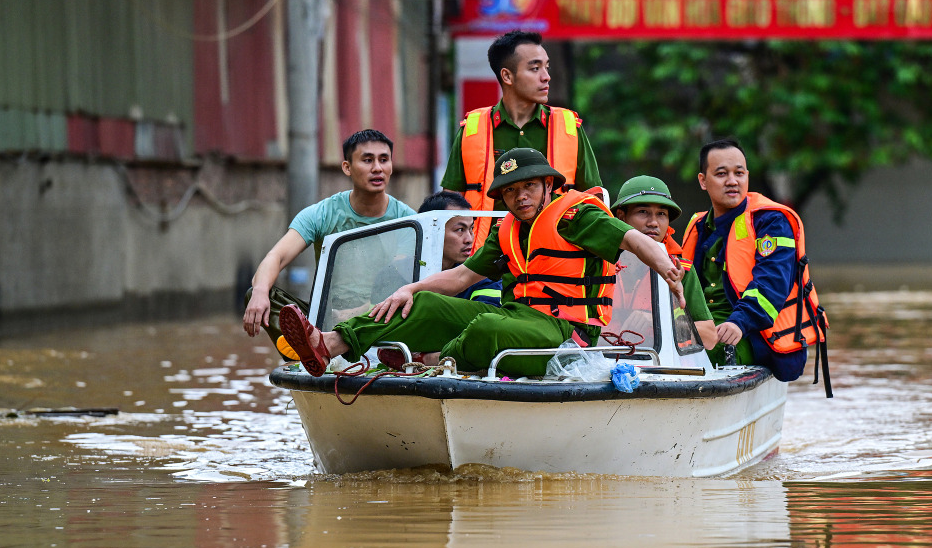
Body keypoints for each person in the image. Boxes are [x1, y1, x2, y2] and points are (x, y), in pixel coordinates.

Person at [279, 148, 684, 378]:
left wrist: (664, 264)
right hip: (517, 318)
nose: (520, 197)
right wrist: (411, 288)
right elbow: (460, 278)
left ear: (547, 185)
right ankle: (330, 343)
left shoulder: (577, 215)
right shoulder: (506, 230)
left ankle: (425, 365)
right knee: (418, 304)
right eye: (510, 192)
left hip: (565, 332)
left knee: (486, 323)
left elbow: (630, 237)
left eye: (528, 187)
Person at [242, 129, 415, 357]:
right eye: (367, 160)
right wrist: (260, 292)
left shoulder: (409, 220)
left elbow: (399, 281)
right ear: (347, 167)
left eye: (384, 160)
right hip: (326, 318)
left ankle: (317, 349)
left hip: (380, 318)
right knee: (256, 292)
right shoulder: (322, 214)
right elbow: (277, 257)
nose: (377, 168)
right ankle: (309, 349)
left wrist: (359, 312)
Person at [680, 139, 829, 387]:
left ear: (747, 176)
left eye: (739, 173)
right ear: (703, 181)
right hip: (702, 327)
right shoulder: (698, 226)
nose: (732, 181)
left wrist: (740, 322)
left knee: (698, 353)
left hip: (752, 333)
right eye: (721, 174)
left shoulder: (770, 221)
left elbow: (772, 283)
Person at [440, 30, 601, 247]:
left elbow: (594, 200)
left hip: (557, 258)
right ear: (507, 76)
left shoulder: (570, 128)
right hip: (485, 261)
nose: (546, 76)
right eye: (535, 68)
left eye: (547, 67)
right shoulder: (472, 129)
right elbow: (448, 205)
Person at [611, 175, 717, 351]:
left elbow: (709, 337)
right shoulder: (599, 264)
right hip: (605, 365)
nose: (653, 223)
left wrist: (655, 321)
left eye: (661, 214)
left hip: (666, 369)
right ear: (621, 217)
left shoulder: (680, 269)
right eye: (643, 212)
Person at [416, 190, 501, 305]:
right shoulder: (402, 272)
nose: (469, 239)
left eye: (471, 229)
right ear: (431, 231)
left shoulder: (481, 276)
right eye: (460, 230)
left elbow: (487, 315)